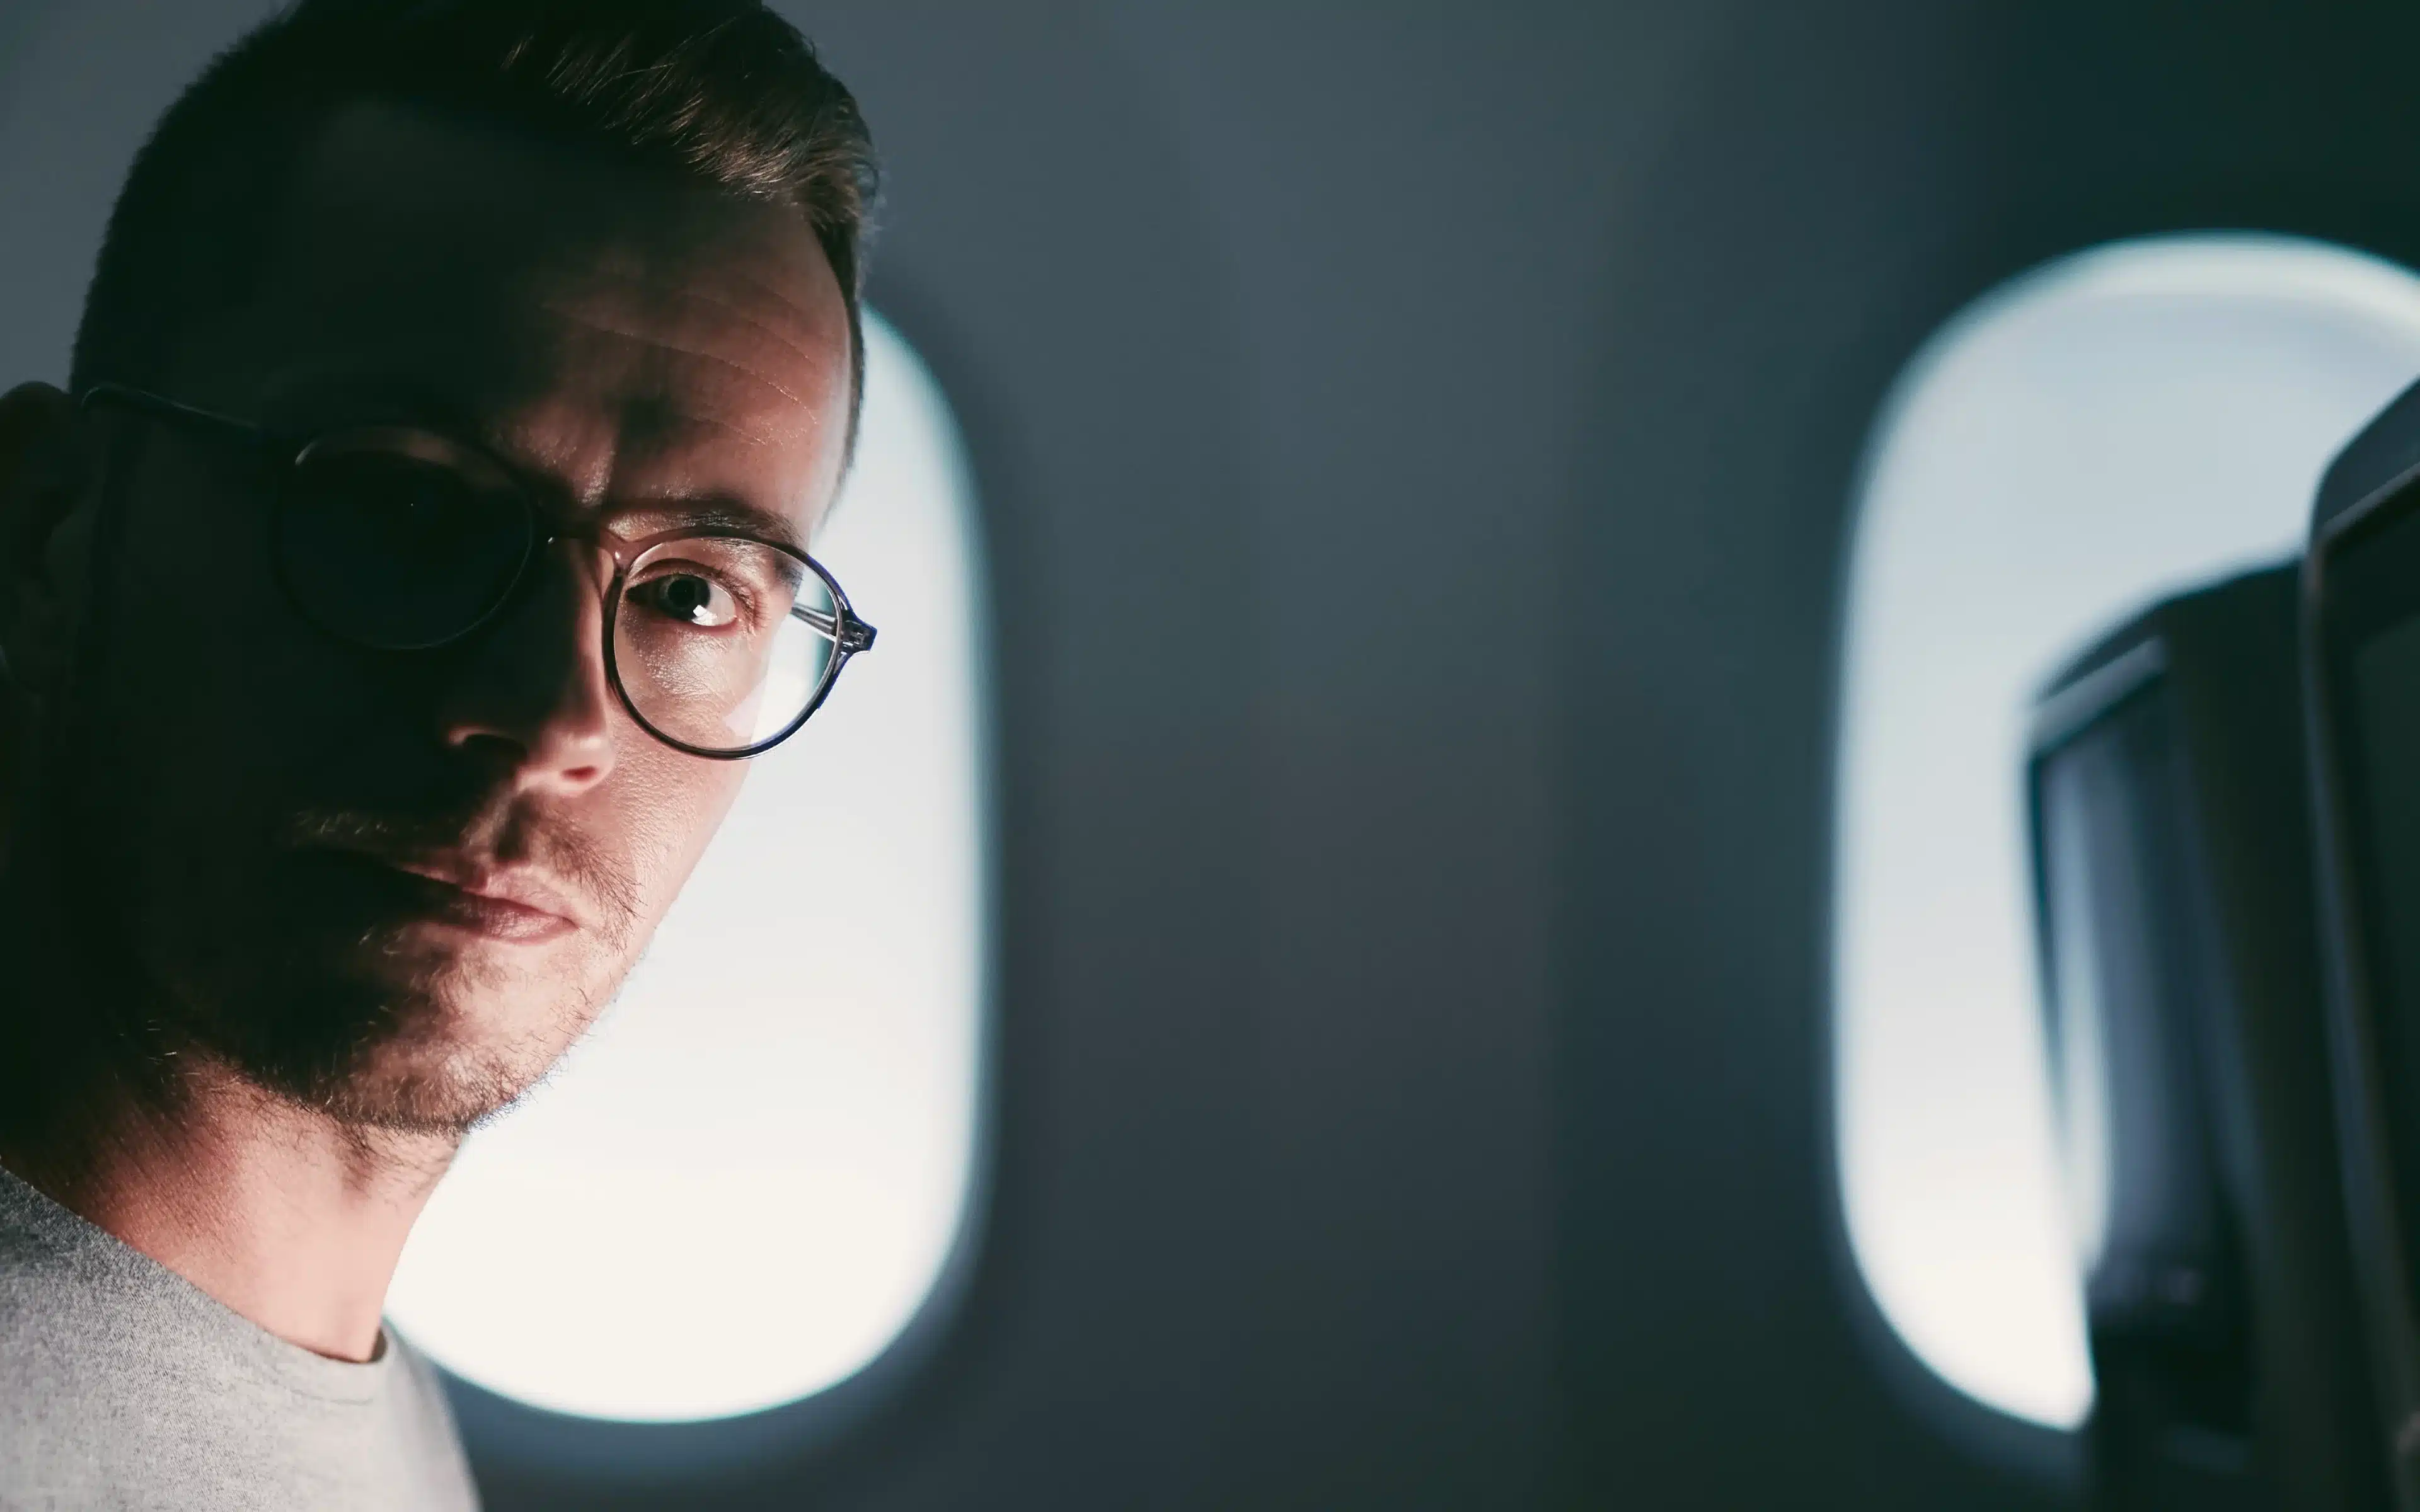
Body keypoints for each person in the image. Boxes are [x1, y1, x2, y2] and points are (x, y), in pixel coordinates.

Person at [0, 1, 879, 1504]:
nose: (553, 718)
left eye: (687, 593)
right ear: (43, 538)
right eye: (405, 511)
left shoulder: (361, 1424)